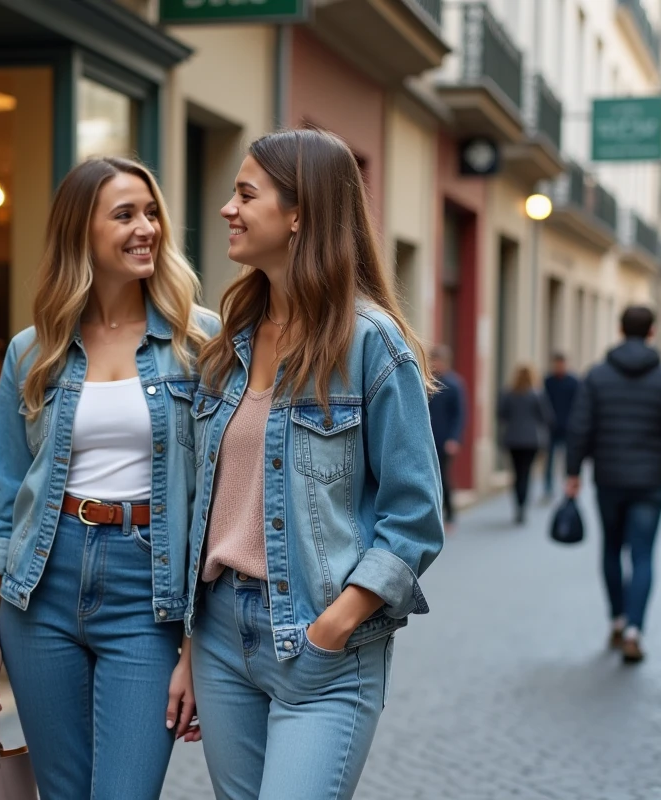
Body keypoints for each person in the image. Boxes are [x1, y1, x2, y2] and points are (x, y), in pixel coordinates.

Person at [185, 128, 444, 799]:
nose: (228, 209)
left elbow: (415, 517)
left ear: (299, 214)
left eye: (246, 194)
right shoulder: (230, 341)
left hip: (320, 643)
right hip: (220, 635)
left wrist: (336, 624)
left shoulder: (372, 343)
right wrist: (189, 645)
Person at [0, 157, 217, 799]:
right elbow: (5, 504)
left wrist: (195, 647)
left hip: (147, 591)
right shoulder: (33, 350)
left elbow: (217, 499)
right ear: (82, 231)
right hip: (42, 587)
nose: (146, 228)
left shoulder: (199, 340)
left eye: (151, 213)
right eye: (125, 215)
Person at [566, 306, 661, 664]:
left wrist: (573, 472)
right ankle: (635, 631)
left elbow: (579, 427)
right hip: (650, 480)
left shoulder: (597, 376)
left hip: (609, 477)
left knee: (611, 549)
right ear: (652, 332)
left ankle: (617, 620)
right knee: (643, 554)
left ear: (620, 330)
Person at [498, 364, 554, 525]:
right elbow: (547, 417)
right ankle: (523, 505)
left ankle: (518, 504)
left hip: (513, 439)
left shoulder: (509, 394)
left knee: (516, 473)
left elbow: (501, 414)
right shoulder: (537, 394)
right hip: (531, 440)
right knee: (526, 473)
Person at [428, 345, 467, 532]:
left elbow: (459, 414)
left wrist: (454, 438)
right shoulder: (427, 381)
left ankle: (450, 514)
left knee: (443, 478)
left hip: (445, 441)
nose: (436, 364)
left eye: (438, 361)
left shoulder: (454, 384)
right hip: (427, 439)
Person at [542, 352, 579, 498]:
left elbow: (578, 404)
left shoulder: (573, 382)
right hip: (551, 428)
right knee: (549, 461)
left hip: (568, 428)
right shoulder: (548, 382)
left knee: (567, 461)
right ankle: (548, 488)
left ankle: (566, 488)